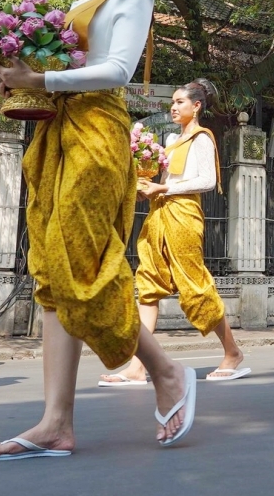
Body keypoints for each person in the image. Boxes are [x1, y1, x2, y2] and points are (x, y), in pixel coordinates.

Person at [0, 0, 194, 461]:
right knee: (54, 270)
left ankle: (166, 370)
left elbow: (118, 69)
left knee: (80, 261)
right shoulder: (75, 6)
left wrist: (42, 76)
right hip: (56, 133)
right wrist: (14, 76)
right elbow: (55, 73)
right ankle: (56, 422)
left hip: (98, 131)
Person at [99, 79, 248, 384]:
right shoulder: (170, 141)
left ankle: (232, 352)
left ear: (197, 107)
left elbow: (206, 181)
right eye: (172, 103)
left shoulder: (202, 138)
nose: (174, 107)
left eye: (180, 102)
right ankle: (138, 366)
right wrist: (147, 187)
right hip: (159, 213)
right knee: (148, 284)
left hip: (183, 215)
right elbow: (163, 181)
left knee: (194, 284)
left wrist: (165, 187)